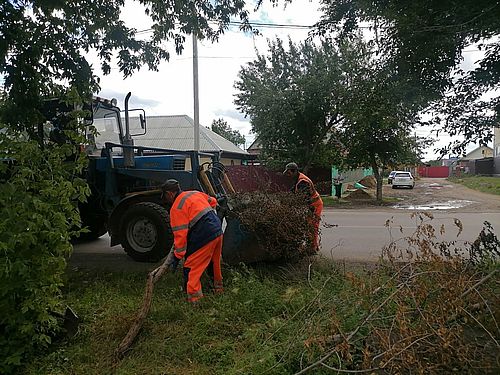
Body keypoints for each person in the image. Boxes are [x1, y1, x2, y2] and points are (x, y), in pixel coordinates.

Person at [161, 179, 223, 304]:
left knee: (191, 267)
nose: (166, 199)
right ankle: (219, 290)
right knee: (214, 262)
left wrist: (178, 256)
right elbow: (213, 202)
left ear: (170, 193)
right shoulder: (194, 193)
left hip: (205, 234)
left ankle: (195, 301)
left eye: (165, 196)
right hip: (217, 229)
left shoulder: (176, 208)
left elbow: (180, 236)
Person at [283, 162, 323, 252]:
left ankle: (312, 248)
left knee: (312, 226)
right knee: (308, 225)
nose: (288, 175)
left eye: (288, 173)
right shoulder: (298, 178)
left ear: (294, 171)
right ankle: (312, 246)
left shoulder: (303, 182)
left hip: (314, 205)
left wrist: (308, 210)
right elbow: (293, 190)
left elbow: (305, 198)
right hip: (310, 204)